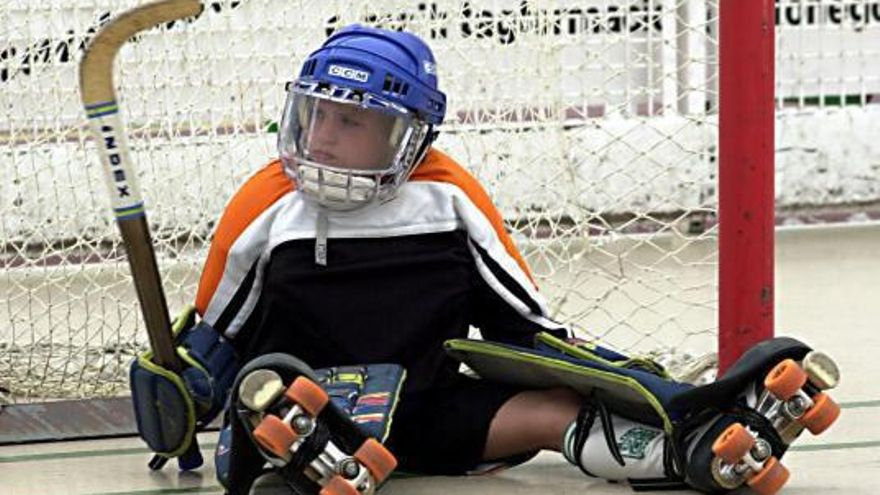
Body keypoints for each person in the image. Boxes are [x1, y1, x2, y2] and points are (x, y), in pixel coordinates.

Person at [130, 24, 840, 495]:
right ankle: (310, 459)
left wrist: (636, 386)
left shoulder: (450, 200)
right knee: (266, 387)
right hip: (305, 408)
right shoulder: (266, 204)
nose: (322, 135)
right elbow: (215, 335)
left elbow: (524, 326)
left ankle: (692, 452)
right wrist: (182, 387)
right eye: (315, 112)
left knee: (554, 407)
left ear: (404, 135)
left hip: (426, 406)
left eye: (350, 120)